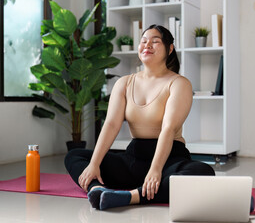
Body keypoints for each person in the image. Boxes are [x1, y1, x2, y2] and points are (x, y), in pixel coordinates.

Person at [64, 24, 215, 210]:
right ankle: (98, 190)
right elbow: (111, 124)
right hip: (133, 158)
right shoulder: (124, 83)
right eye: (143, 41)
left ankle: (129, 197)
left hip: (168, 158)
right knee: (75, 155)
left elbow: (168, 129)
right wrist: (94, 164)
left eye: (155, 41)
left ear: (169, 49)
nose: (147, 45)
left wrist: (156, 169)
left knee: (202, 172)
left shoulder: (179, 83)